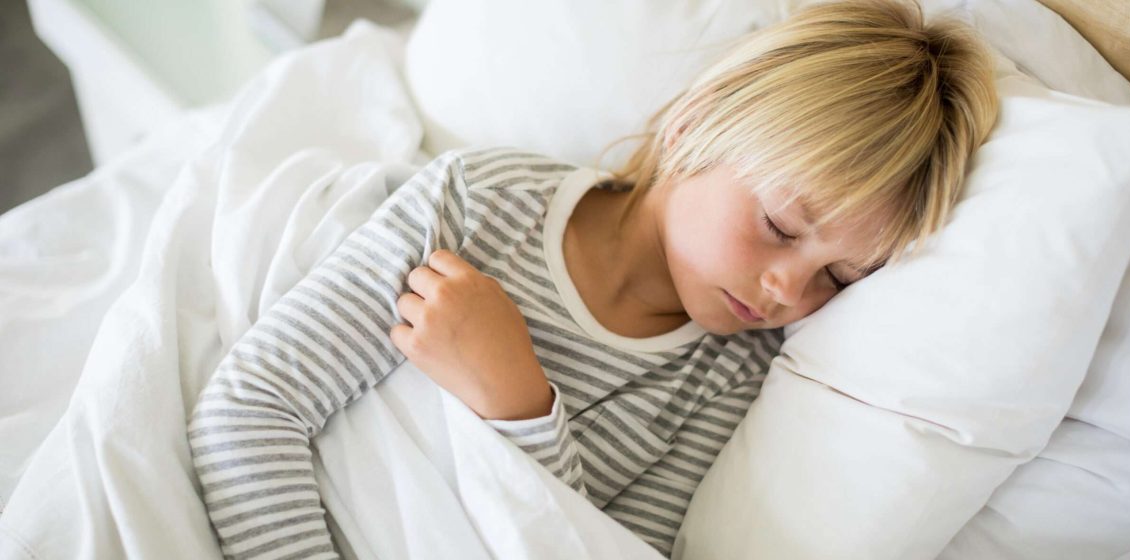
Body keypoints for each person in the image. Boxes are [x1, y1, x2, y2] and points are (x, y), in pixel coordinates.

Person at [187, 0, 998, 557]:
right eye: (781, 227)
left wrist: (519, 405)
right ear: (695, 125)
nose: (790, 291)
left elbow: (599, 546)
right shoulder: (484, 207)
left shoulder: (729, 378)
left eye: (838, 277)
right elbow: (251, 409)